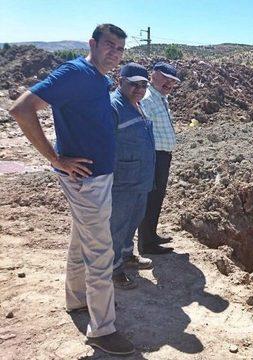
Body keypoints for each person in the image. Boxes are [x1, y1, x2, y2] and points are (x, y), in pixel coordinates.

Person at [9, 24, 134, 355]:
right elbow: (21, 109)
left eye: (120, 49)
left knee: (84, 240)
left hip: (96, 178)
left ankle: (77, 300)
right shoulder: (75, 73)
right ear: (92, 44)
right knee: (100, 251)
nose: (115, 53)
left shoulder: (96, 78)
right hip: (86, 180)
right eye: (109, 46)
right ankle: (102, 330)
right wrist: (55, 158)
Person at [110, 63, 156, 289]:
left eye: (143, 84)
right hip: (123, 180)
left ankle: (127, 256)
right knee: (117, 225)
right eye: (133, 84)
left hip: (140, 177)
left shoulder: (137, 105)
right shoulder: (114, 107)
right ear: (121, 82)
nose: (139, 88)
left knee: (133, 220)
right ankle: (114, 269)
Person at [138, 62, 180, 255]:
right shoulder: (147, 99)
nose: (169, 84)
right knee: (150, 197)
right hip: (153, 156)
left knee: (157, 197)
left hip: (162, 156)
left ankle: (151, 235)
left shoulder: (161, 98)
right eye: (166, 79)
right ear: (153, 75)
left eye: (173, 81)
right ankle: (146, 244)